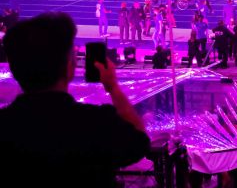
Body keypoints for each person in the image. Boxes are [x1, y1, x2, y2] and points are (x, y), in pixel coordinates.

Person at [0, 13, 150, 187]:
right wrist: (113, 88)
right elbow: (140, 142)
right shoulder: (96, 123)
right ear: (69, 66)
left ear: (12, 67)